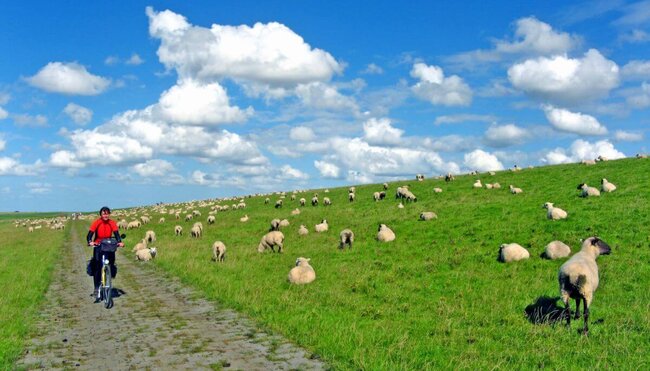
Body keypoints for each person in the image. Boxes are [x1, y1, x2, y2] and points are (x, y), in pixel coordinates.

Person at [87, 206, 124, 301]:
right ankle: (96, 288)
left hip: (108, 245)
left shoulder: (112, 223)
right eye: (104, 213)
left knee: (111, 264)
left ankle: (109, 275)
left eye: (107, 213)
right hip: (98, 245)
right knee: (97, 266)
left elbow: (116, 234)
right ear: (101, 214)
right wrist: (90, 241)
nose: (105, 215)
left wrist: (119, 242)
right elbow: (90, 234)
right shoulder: (97, 222)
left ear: (109, 214)